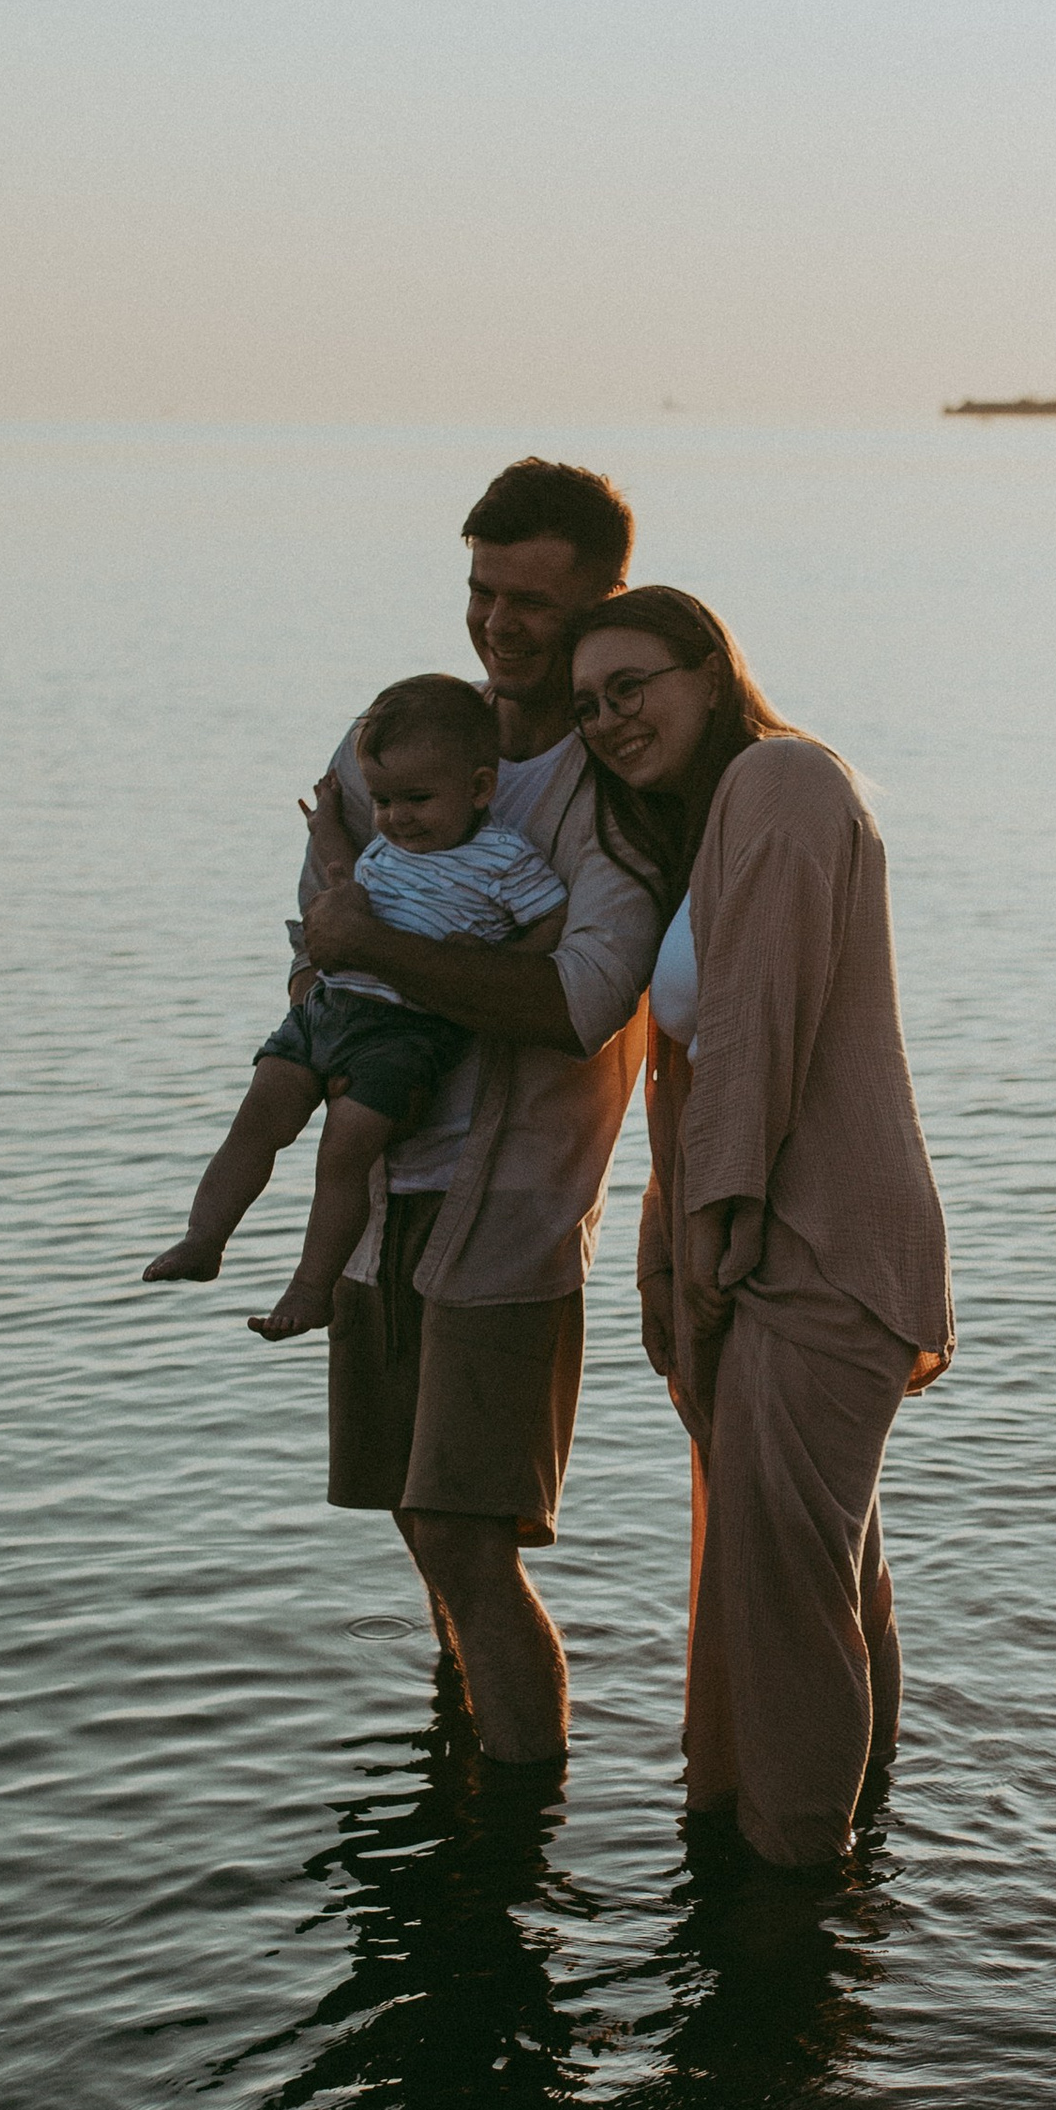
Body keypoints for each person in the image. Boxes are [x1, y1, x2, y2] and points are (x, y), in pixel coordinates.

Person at [567, 587, 952, 1868]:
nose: (611, 719)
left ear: (709, 668)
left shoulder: (783, 782)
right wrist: (669, 1261)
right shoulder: (714, 823)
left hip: (818, 1248)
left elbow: (756, 1038)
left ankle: (791, 1889)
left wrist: (717, 1249)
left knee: (785, 1598)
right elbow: (703, 1063)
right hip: (781, 1244)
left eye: (634, 686)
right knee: (828, 1577)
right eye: (589, 706)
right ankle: (860, 1858)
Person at [284, 458, 660, 1769]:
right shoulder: (396, 738)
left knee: (466, 1535)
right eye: (480, 590)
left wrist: (369, 942)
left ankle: (512, 1844)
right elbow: (315, 944)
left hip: (513, 1220)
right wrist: (344, 951)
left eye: (532, 602)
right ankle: (464, 1788)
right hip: (384, 1195)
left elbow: (581, 1002)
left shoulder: (610, 791)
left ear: (603, 603)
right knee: (416, 1524)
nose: (498, 624)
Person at [145, 673, 570, 1339]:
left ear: (480, 789)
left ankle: (312, 1288)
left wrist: (505, 956)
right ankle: (204, 1240)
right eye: (383, 800)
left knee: (342, 1156)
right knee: (259, 1116)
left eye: (418, 799)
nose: (399, 817)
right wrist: (326, 828)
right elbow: (345, 872)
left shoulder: (502, 859)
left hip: (405, 1034)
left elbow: (554, 918)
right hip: (330, 1006)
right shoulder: (391, 844)